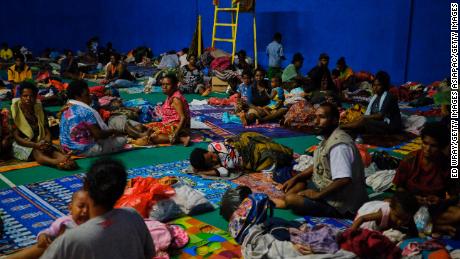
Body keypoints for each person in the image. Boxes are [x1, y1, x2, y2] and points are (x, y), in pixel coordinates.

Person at [40, 158, 155, 259]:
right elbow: (149, 253)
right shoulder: (133, 216)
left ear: (85, 185)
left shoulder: (70, 239)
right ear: (121, 192)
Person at [276, 103, 368, 218]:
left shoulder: (339, 146)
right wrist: (297, 177)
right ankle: (291, 198)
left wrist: (318, 195)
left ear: (334, 120)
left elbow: (344, 179)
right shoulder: (327, 138)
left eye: (322, 117)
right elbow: (318, 164)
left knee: (291, 199)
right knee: (296, 183)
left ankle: (291, 202)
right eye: (315, 117)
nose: (316, 121)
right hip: (326, 187)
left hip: (342, 204)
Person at [393, 122, 459, 236]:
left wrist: (440, 201)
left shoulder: (449, 165)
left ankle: (427, 226)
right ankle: (436, 227)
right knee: (394, 210)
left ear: (442, 147)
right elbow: (398, 189)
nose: (428, 149)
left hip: (434, 209)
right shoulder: (410, 160)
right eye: (425, 143)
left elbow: (455, 196)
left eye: (433, 146)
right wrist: (412, 199)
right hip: (410, 207)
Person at [11, 82, 77, 170]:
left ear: (35, 97)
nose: (28, 99)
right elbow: (17, 138)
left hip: (39, 141)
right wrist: (35, 144)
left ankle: (65, 160)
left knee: (49, 148)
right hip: (22, 144)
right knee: (36, 151)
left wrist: (47, 140)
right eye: (25, 96)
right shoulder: (14, 112)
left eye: (31, 96)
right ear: (20, 97)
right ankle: (57, 163)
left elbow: (46, 129)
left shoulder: (39, 109)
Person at [7, 190, 90, 259]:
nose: (85, 211)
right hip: (59, 253)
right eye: (81, 206)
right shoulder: (64, 222)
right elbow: (49, 232)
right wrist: (42, 236)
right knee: (41, 247)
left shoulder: (95, 224)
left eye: (90, 207)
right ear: (70, 208)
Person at [59, 80, 127, 157]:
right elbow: (98, 135)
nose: (90, 97)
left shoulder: (66, 109)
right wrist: (113, 131)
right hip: (83, 150)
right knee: (122, 140)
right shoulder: (86, 111)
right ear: (77, 96)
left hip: (67, 148)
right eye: (87, 95)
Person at [189, 132, 293, 177]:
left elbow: (230, 143)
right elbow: (224, 173)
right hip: (251, 158)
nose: (214, 159)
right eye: (211, 162)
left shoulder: (212, 146)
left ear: (206, 151)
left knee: (260, 143)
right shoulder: (221, 166)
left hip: (244, 144)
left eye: (211, 157)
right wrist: (203, 172)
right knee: (268, 155)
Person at [134, 74, 191, 146]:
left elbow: (183, 118)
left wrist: (175, 134)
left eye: (167, 84)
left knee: (153, 138)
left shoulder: (176, 99)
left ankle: (181, 138)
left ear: (175, 86)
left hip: (178, 126)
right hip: (168, 123)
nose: (164, 87)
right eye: (163, 84)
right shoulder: (171, 95)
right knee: (139, 127)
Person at [340, 71, 402, 136]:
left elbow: (380, 115)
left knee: (364, 121)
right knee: (359, 121)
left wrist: (364, 117)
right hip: (381, 123)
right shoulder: (375, 97)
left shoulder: (388, 96)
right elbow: (371, 113)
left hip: (391, 126)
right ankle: (346, 129)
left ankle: (341, 127)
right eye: (374, 85)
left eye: (378, 85)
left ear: (384, 86)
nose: (375, 88)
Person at [351, 191, 419, 232]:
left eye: (405, 219)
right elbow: (362, 218)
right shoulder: (382, 214)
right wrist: (350, 233)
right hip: (365, 217)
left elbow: (413, 230)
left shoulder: (406, 214)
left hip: (381, 208)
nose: (400, 221)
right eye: (398, 217)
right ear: (391, 209)